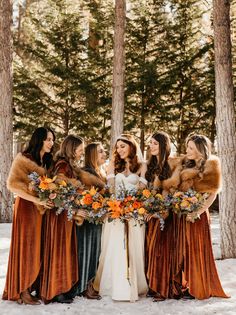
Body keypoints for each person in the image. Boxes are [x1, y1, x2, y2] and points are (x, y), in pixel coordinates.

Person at [40, 135, 104, 304]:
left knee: (65, 252)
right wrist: (76, 210)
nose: (82, 152)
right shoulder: (63, 166)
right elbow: (61, 194)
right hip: (60, 216)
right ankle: (58, 290)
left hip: (64, 216)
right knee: (61, 252)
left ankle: (63, 288)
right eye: (80, 149)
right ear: (71, 148)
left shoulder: (69, 166)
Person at [172, 133, 229, 300]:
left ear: (199, 149)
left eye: (191, 148)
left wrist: (197, 211)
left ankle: (198, 286)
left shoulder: (211, 164)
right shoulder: (184, 164)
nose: (187, 150)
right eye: (187, 147)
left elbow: (212, 194)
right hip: (182, 214)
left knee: (196, 250)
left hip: (198, 216)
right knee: (183, 250)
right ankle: (186, 284)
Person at [2, 127, 55, 305]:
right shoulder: (24, 158)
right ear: (39, 139)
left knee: (38, 247)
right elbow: (13, 185)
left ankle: (32, 284)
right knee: (27, 247)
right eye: (48, 139)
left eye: (52, 140)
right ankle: (22, 289)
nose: (51, 143)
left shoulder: (46, 161)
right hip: (26, 208)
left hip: (40, 210)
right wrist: (36, 199)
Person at [93, 134, 148, 302]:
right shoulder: (112, 166)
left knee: (134, 249)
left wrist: (132, 206)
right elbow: (111, 190)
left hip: (134, 215)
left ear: (131, 146)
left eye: (123, 146)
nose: (119, 150)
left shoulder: (142, 166)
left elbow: (141, 191)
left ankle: (134, 286)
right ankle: (114, 286)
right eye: (117, 147)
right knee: (115, 248)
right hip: (116, 214)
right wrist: (117, 206)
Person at [145, 131, 182, 301]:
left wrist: (159, 211)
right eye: (150, 143)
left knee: (162, 250)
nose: (151, 146)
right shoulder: (151, 165)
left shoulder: (171, 164)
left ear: (163, 145)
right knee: (151, 248)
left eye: (154, 143)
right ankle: (153, 285)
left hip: (165, 214)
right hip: (150, 212)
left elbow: (169, 191)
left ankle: (164, 287)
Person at [75, 142, 106, 299]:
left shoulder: (100, 172)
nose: (104, 153)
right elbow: (81, 196)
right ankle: (84, 286)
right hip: (87, 220)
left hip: (97, 218)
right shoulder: (86, 173)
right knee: (86, 251)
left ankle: (91, 284)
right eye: (100, 151)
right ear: (92, 154)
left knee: (96, 251)